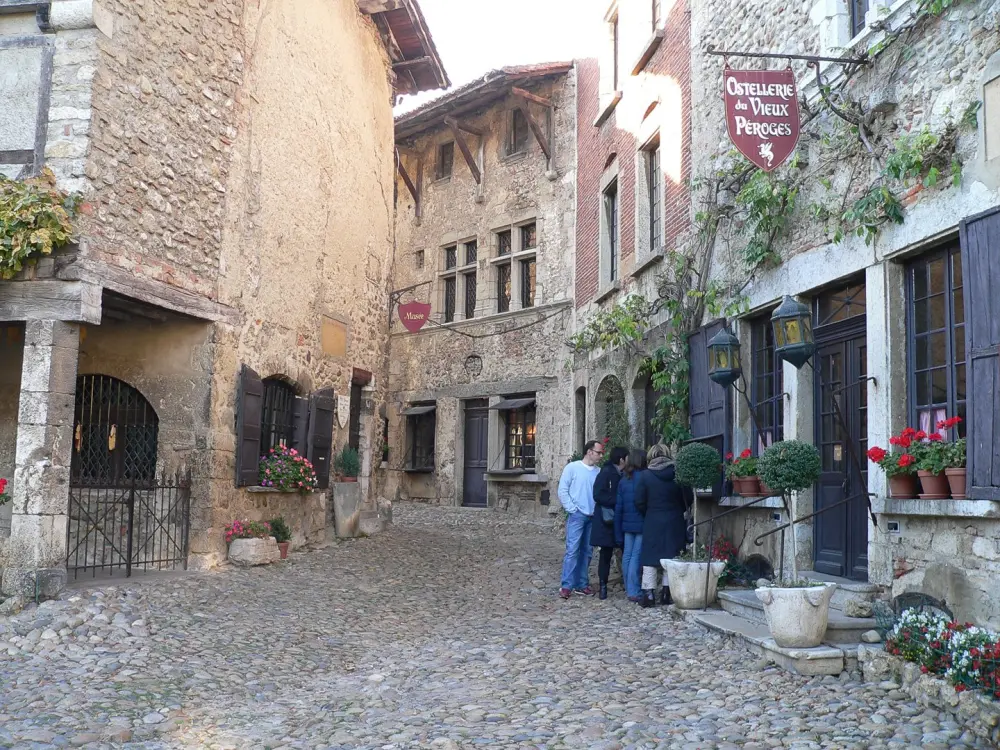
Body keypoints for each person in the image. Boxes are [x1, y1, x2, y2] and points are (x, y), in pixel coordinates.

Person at [635, 443, 690, 607]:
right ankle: (667, 593)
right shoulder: (677, 474)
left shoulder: (645, 476)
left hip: (653, 519)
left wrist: (649, 512)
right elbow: (687, 497)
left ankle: (649, 594)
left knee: (650, 558)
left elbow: (639, 501)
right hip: (674, 519)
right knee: (671, 556)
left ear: (651, 456)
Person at [557, 439, 603, 599]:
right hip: (577, 515)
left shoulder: (599, 472)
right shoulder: (573, 468)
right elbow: (563, 490)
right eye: (598, 452)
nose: (600, 456)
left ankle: (582, 584)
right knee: (572, 550)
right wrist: (572, 509)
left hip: (592, 516)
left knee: (587, 551)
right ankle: (566, 585)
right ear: (589, 452)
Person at [591, 446, 628, 600]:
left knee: (625, 552)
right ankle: (603, 587)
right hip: (607, 521)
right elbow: (598, 495)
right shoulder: (606, 473)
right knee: (605, 555)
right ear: (621, 459)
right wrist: (617, 501)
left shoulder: (624, 474)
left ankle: (628, 584)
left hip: (619, 521)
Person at [614, 449, 647, 603]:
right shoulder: (644, 478)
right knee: (635, 556)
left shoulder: (623, 480)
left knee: (627, 556)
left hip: (626, 522)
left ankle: (629, 588)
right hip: (640, 521)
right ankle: (634, 591)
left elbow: (619, 507)